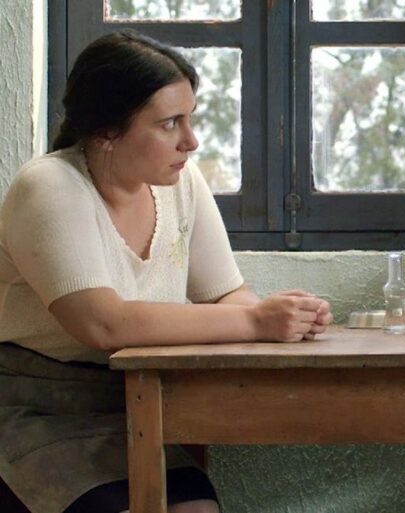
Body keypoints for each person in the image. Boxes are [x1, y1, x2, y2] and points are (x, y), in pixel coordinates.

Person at [0, 30, 332, 513]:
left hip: (138, 405)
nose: (191, 141)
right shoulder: (49, 186)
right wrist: (257, 321)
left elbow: (226, 294)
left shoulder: (181, 182)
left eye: (190, 119)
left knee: (197, 509)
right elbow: (103, 323)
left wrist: (286, 316)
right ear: (107, 131)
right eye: (170, 123)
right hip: (34, 412)